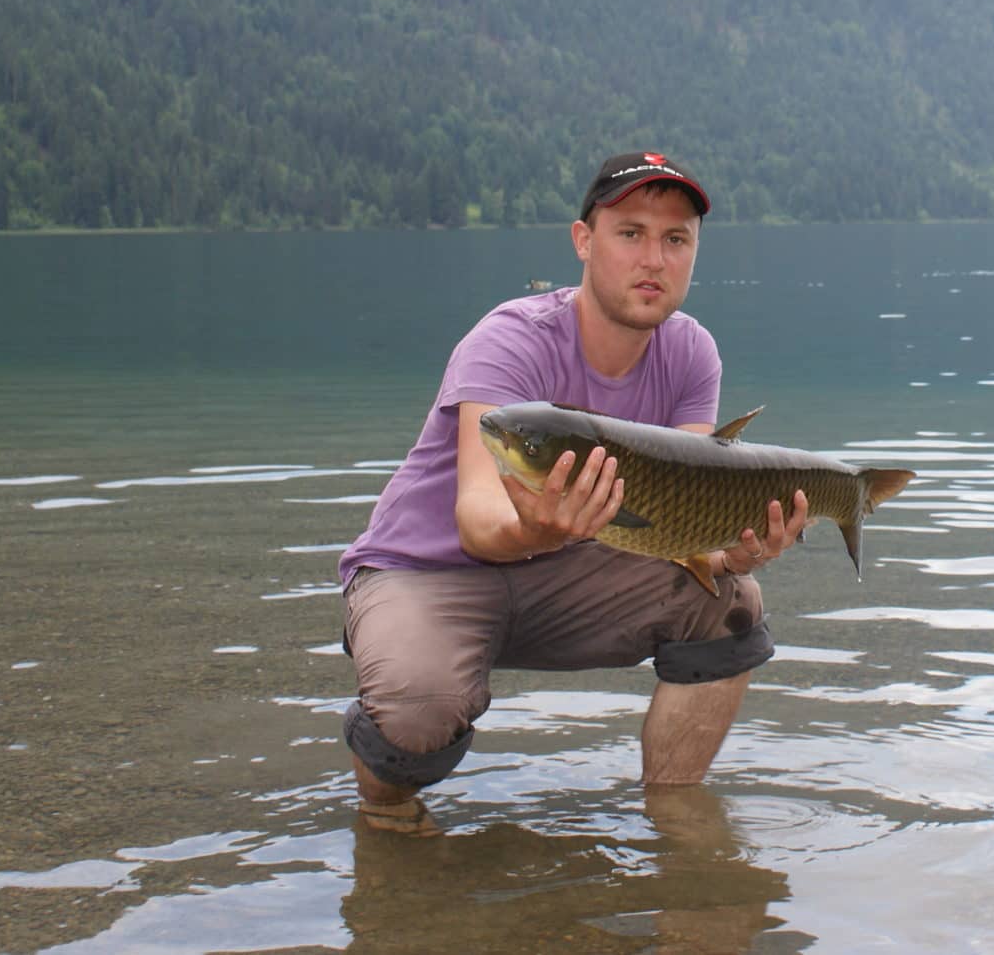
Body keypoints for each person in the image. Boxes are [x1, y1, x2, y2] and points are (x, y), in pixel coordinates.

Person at [337, 151, 810, 835]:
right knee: (418, 708)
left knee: (729, 604)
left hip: (569, 570)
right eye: (631, 233)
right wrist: (541, 529)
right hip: (429, 570)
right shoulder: (508, 340)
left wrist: (732, 551)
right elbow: (477, 517)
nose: (654, 258)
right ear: (584, 242)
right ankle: (388, 821)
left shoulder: (691, 353)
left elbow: (684, 528)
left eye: (675, 239)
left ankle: (673, 826)